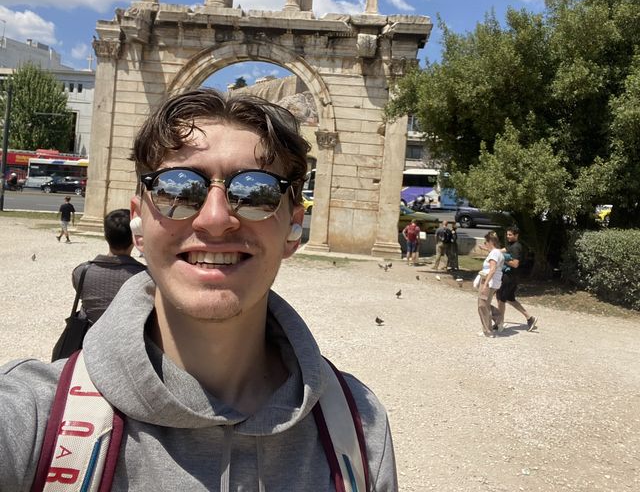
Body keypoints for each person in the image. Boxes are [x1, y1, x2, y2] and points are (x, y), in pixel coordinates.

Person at [0, 89, 397, 490]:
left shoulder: (362, 430)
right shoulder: (32, 414)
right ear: (139, 223)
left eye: (256, 191)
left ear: (294, 228)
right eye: (179, 187)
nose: (215, 219)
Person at [71, 208, 146, 322]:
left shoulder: (81, 272)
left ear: (106, 235)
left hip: (89, 335)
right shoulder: (145, 276)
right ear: (134, 239)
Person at [495, 225, 538, 332]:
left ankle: (499, 323)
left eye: (510, 235)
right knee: (510, 299)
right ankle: (530, 318)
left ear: (516, 235)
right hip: (512, 277)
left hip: (509, 277)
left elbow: (515, 264)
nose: (507, 236)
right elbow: (503, 250)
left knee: (501, 300)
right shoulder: (512, 245)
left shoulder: (516, 247)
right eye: (507, 234)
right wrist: (491, 250)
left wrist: (501, 259)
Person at [477, 231, 504, 338]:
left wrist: (485, 284)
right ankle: (498, 319)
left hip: (488, 282)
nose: (485, 244)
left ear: (491, 242)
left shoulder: (494, 253)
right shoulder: (496, 252)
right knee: (485, 304)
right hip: (492, 282)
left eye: (486, 242)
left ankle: (488, 330)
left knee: (482, 305)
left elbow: (492, 269)